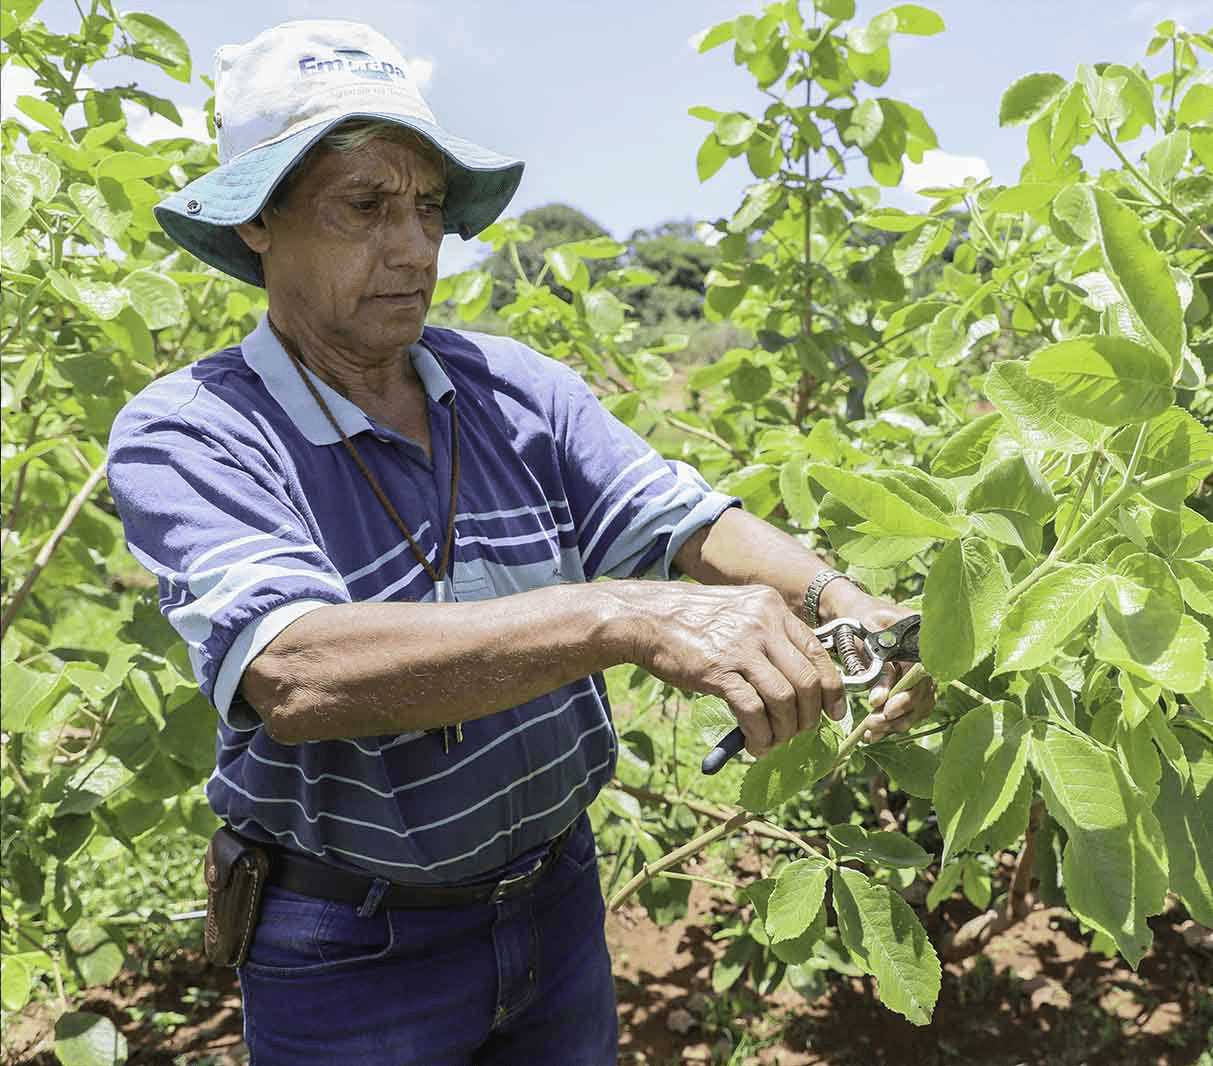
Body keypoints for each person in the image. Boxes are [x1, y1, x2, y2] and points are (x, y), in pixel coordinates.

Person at [106, 19, 932, 1066]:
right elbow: (298, 671)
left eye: (428, 207)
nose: (415, 247)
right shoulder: (195, 430)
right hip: (355, 946)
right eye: (365, 206)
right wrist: (623, 616)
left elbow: (686, 521)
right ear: (259, 220)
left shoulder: (511, 386)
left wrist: (845, 605)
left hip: (555, 897)